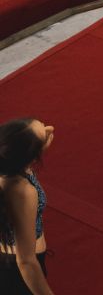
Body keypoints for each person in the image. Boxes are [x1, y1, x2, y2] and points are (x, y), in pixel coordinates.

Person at [0, 117, 54, 295]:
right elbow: (26, 262)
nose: (49, 128)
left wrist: (39, 143)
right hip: (19, 270)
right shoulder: (22, 192)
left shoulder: (8, 165)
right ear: (31, 156)